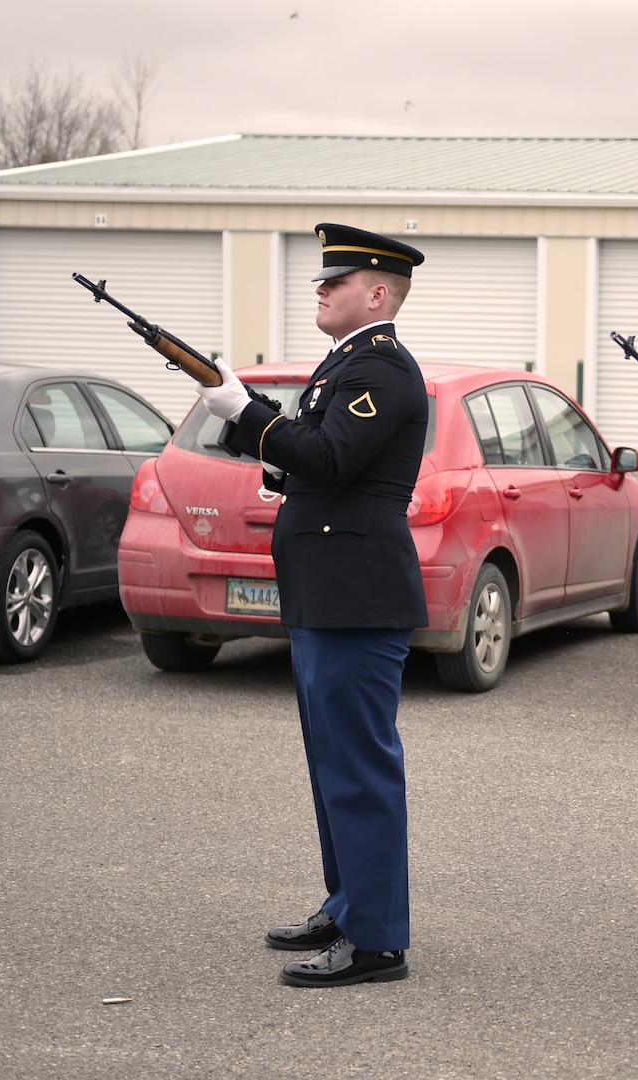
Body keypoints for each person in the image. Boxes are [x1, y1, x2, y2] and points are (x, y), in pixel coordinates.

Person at [195, 223, 429, 988]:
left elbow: (326, 455)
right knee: (332, 765)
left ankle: (376, 941)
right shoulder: (344, 365)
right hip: (325, 592)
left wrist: (243, 410)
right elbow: (312, 458)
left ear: (379, 293)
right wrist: (253, 429)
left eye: (337, 280)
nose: (321, 289)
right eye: (321, 280)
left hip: (357, 597)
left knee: (358, 769)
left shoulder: (384, 371)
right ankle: (347, 902)